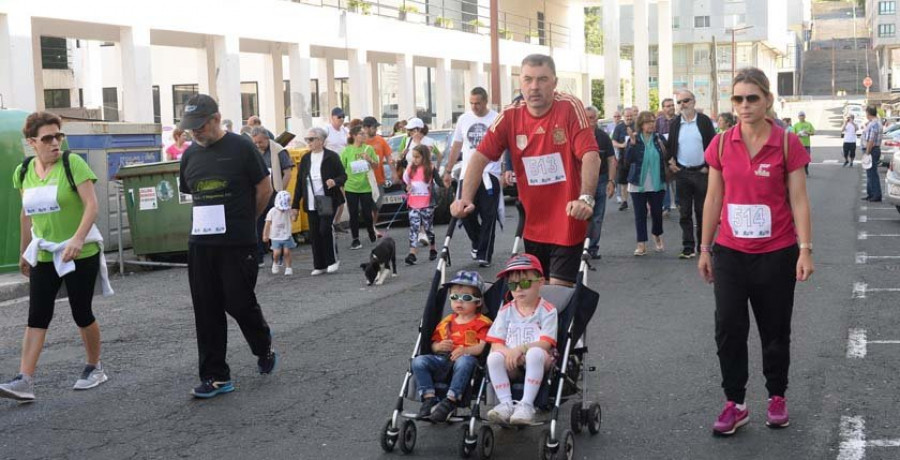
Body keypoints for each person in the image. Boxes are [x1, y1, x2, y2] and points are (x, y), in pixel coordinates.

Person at [698, 67, 813, 436]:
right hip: (730, 253)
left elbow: (799, 200)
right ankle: (736, 403)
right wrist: (704, 247)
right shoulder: (720, 143)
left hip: (777, 252)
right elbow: (714, 197)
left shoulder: (785, 143)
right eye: (738, 99)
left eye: (752, 98)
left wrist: (805, 249)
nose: (744, 105)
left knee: (775, 331)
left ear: (767, 100)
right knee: (729, 328)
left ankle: (776, 396)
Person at [452, 54, 600, 286]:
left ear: (554, 82)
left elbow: (591, 155)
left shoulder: (569, 107)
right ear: (520, 82)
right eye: (528, 79)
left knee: (557, 297)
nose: (534, 87)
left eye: (542, 79)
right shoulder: (510, 115)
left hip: (568, 220)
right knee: (534, 300)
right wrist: (465, 199)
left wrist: (586, 198)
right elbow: (479, 157)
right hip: (533, 225)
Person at [0, 112, 112, 403]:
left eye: (58, 136)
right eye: (47, 138)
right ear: (32, 142)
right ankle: (24, 379)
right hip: (45, 252)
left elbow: (92, 205)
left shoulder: (72, 163)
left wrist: (76, 238)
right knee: (37, 315)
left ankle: (94, 367)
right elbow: (26, 213)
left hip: (80, 250)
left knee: (81, 311)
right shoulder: (23, 171)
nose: (54, 143)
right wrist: (24, 251)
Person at [177, 94, 277, 399]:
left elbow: (265, 188)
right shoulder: (190, 155)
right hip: (202, 243)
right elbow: (189, 193)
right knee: (206, 308)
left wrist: (248, 222)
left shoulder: (242, 146)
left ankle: (262, 343)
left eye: (200, 125)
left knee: (238, 302)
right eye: (190, 127)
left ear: (217, 119)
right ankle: (216, 377)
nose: (195, 131)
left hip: (237, 242)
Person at [485, 254, 557, 425]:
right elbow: (496, 341)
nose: (518, 289)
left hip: (540, 358)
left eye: (525, 283)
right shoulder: (506, 310)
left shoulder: (547, 310)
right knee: (494, 357)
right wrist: (509, 353)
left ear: (540, 282)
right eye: (512, 284)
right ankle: (506, 403)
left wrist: (520, 349)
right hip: (512, 361)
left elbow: (546, 343)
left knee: (534, 354)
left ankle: (526, 404)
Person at [411, 270, 492, 422]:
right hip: (442, 359)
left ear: (478, 302)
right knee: (418, 361)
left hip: (466, 360)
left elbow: (482, 347)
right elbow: (433, 344)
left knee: (465, 361)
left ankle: (451, 400)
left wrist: (466, 350)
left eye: (466, 298)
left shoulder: (482, 322)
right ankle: (429, 398)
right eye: (454, 297)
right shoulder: (446, 321)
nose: (459, 302)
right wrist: (439, 346)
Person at [445, 87, 501, 267]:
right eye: (471, 103)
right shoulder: (464, 119)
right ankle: (477, 242)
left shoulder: (496, 118)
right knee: (464, 212)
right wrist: (448, 169)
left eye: (478, 103)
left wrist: (507, 169)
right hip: (467, 173)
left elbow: (506, 147)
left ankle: (485, 253)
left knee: (488, 215)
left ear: (486, 101)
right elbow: (456, 146)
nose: (474, 107)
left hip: (490, 173)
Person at [665, 89, 716, 260]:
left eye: (685, 101)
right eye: (679, 102)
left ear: (694, 101)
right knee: (684, 213)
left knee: (702, 211)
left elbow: (713, 145)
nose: (682, 105)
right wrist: (671, 163)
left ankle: (704, 246)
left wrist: (708, 166)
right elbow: (670, 146)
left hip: (702, 172)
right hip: (683, 173)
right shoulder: (675, 124)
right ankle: (688, 247)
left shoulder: (704, 121)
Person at [291, 127, 346, 275]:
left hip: (326, 199)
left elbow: (343, 176)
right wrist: (295, 205)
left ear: (320, 141)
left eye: (311, 139)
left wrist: (334, 181)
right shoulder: (305, 158)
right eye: (307, 139)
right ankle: (319, 264)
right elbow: (299, 183)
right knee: (314, 233)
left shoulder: (331, 157)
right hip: (310, 199)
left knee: (324, 229)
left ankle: (332, 260)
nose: (308, 142)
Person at [623, 111, 667, 256]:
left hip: (656, 182)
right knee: (640, 214)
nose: (651, 124)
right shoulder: (635, 138)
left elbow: (667, 156)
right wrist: (632, 145)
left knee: (656, 213)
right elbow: (628, 160)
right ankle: (641, 244)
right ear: (641, 125)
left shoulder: (658, 138)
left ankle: (657, 234)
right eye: (648, 122)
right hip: (638, 182)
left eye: (653, 121)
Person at [251, 126, 295, 265]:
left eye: (260, 142)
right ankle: (259, 256)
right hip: (261, 192)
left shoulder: (279, 150)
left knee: (277, 226)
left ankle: (279, 256)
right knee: (259, 223)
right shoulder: (255, 151)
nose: (258, 145)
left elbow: (287, 172)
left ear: (267, 138)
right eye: (255, 143)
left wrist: (281, 191)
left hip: (275, 192)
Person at [584, 105, 617, 260]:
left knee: (597, 216)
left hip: (601, 179)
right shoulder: (576, 135)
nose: (591, 121)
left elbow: (611, 160)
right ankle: (579, 246)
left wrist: (611, 181)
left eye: (593, 118)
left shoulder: (603, 137)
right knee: (581, 215)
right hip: (582, 181)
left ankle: (592, 247)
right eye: (587, 117)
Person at [340, 124, 379, 250]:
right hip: (351, 187)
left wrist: (369, 160)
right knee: (353, 213)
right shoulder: (347, 151)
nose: (364, 136)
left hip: (365, 186)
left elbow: (376, 166)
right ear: (354, 136)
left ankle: (371, 231)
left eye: (364, 133)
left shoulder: (369, 149)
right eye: (361, 134)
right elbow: (341, 169)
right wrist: (342, 187)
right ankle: (355, 239)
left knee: (367, 213)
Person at [403, 145, 438, 264]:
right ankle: (412, 253)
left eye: (417, 157)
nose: (415, 159)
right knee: (414, 228)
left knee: (428, 227)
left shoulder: (431, 168)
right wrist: (407, 188)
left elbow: (439, 182)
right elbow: (404, 182)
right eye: (413, 157)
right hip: (413, 202)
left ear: (424, 157)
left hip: (427, 203)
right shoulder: (410, 168)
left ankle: (433, 248)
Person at [363, 116, 393, 237]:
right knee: (367, 207)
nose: (376, 129)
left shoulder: (381, 140)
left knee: (376, 206)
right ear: (365, 128)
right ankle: (371, 228)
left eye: (376, 127)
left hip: (379, 178)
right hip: (363, 180)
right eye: (374, 127)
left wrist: (394, 173)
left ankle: (372, 226)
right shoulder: (360, 142)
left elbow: (389, 157)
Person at [263, 191, 296, 276]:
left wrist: (293, 213)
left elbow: (293, 219)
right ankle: (275, 262)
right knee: (276, 253)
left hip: (286, 235)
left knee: (287, 252)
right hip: (275, 236)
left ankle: (288, 267)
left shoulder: (288, 210)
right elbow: (267, 223)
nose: (282, 210)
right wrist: (265, 235)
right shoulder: (272, 211)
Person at [656, 98, 677, 216]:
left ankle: (679, 203)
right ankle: (667, 206)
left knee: (678, 180)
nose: (671, 108)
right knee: (666, 180)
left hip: (677, 153)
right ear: (663, 108)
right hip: (664, 155)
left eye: (672, 105)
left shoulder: (679, 119)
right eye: (668, 106)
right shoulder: (659, 122)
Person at [612, 107, 635, 211]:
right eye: (627, 116)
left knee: (637, 180)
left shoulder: (637, 126)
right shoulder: (619, 127)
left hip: (636, 158)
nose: (629, 117)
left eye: (630, 115)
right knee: (623, 182)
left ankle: (638, 201)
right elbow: (613, 141)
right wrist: (622, 145)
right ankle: (624, 201)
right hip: (623, 158)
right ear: (623, 116)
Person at [862, 106, 883, 202]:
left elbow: (871, 140)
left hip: (872, 150)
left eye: (866, 113)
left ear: (868, 113)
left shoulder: (874, 124)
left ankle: (876, 195)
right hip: (873, 149)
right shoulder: (875, 122)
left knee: (872, 173)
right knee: (870, 173)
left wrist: (867, 152)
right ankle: (871, 194)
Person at [792, 111, 815, 176]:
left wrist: (807, 132)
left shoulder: (808, 124)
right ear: (798, 117)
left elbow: (813, 132)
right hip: (799, 145)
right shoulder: (796, 125)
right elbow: (793, 135)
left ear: (805, 116)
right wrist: (798, 134)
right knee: (800, 158)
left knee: (807, 157)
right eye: (800, 116)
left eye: (802, 115)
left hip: (807, 144)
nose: (801, 117)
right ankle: (801, 171)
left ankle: (806, 168)